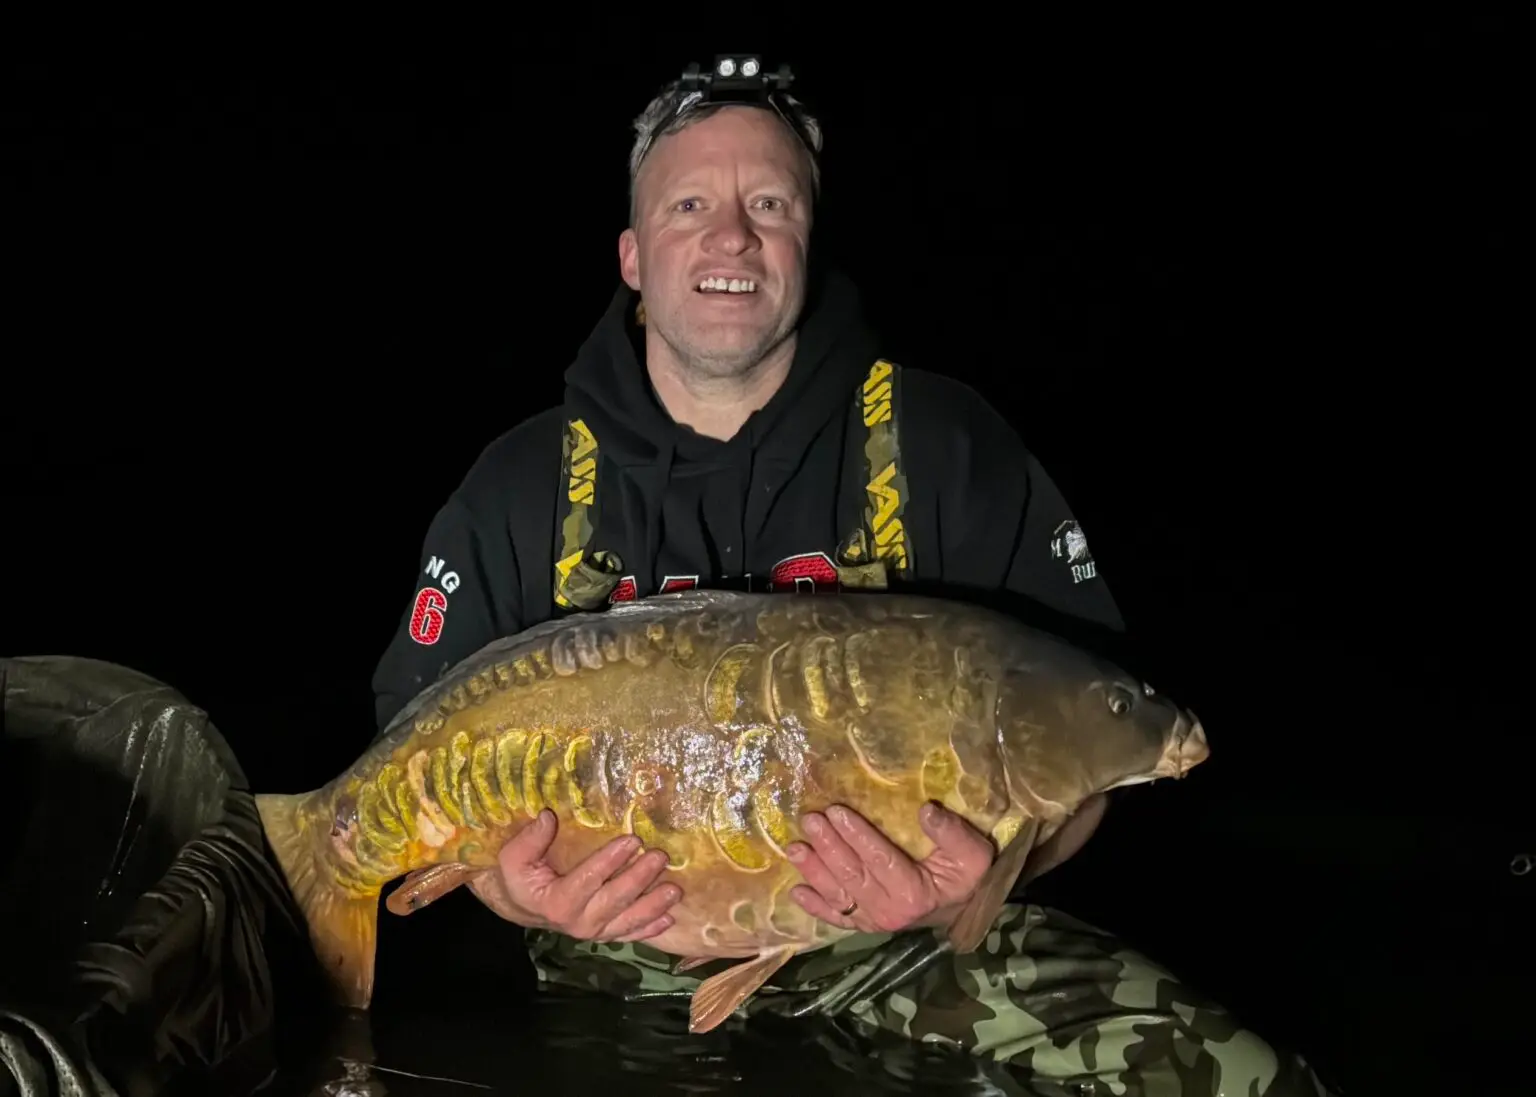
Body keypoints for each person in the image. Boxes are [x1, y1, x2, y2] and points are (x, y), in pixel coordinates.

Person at [368, 59, 1335, 1096]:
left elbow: (1076, 740)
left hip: (900, 940)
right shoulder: (522, 480)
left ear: (804, 241)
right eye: (691, 203)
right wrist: (512, 891)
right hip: (607, 944)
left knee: (1245, 1079)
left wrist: (986, 878)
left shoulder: (943, 442)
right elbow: (414, 745)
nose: (731, 235)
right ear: (633, 255)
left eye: (769, 204)